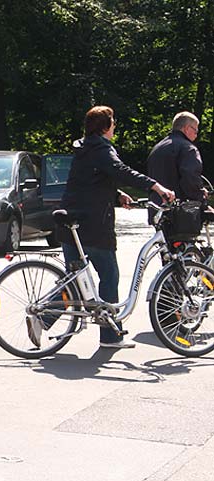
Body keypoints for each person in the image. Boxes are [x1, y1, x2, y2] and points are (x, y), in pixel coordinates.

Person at [57, 105, 174, 349]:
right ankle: (110, 336)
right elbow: (120, 170)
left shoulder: (84, 148)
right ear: (105, 127)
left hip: (73, 222)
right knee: (109, 275)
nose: (115, 126)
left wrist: (117, 195)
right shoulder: (101, 148)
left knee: (74, 281)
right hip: (92, 225)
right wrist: (155, 186)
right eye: (113, 122)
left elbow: (90, 181)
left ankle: (41, 317)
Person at [147, 111, 208, 210]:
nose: (196, 135)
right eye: (196, 131)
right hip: (181, 211)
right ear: (187, 128)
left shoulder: (158, 147)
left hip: (156, 208)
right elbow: (190, 178)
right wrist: (202, 199)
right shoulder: (188, 148)